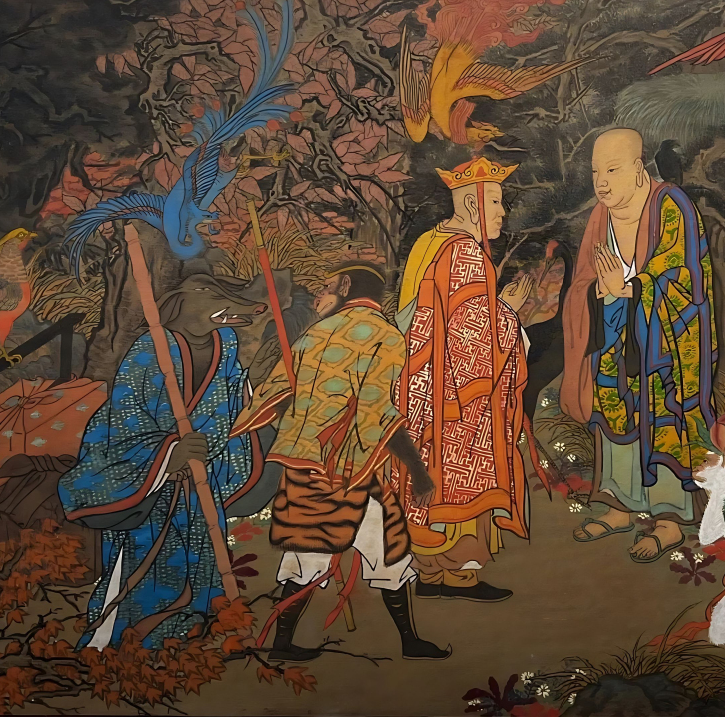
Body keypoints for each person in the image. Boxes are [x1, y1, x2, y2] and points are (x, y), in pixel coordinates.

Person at [231, 261, 451, 661]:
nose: (319, 295)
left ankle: (405, 641)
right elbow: (378, 415)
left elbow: (276, 395)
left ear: (346, 285)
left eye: (326, 286)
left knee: (357, 546)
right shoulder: (385, 336)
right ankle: (287, 643)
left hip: (315, 465)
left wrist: (303, 422)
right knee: (354, 550)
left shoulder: (313, 335)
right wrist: (418, 473)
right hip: (346, 467)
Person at [59, 272, 268, 648]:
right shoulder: (150, 348)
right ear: (184, 303)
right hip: (150, 480)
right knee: (145, 562)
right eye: (216, 299)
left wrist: (254, 389)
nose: (231, 313)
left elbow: (228, 397)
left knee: (201, 559)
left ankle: (188, 637)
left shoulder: (226, 342)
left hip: (199, 481)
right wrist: (168, 454)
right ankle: (122, 640)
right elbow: (126, 416)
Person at [560, 128, 719, 563]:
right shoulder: (601, 216)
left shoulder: (671, 204)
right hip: (614, 333)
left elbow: (684, 275)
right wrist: (600, 291)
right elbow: (584, 279)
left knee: (663, 417)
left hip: (664, 340)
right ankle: (619, 506)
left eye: (612, 170)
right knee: (614, 411)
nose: (602, 183)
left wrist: (631, 287)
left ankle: (668, 519)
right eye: (596, 172)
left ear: (637, 167)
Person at [393, 156, 539, 602]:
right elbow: (473, 336)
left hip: (420, 383)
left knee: (427, 473)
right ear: (473, 204)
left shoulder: (429, 241)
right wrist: (510, 312)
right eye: (494, 202)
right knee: (459, 475)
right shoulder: (466, 252)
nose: (502, 212)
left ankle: (429, 572)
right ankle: (459, 576)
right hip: (457, 392)